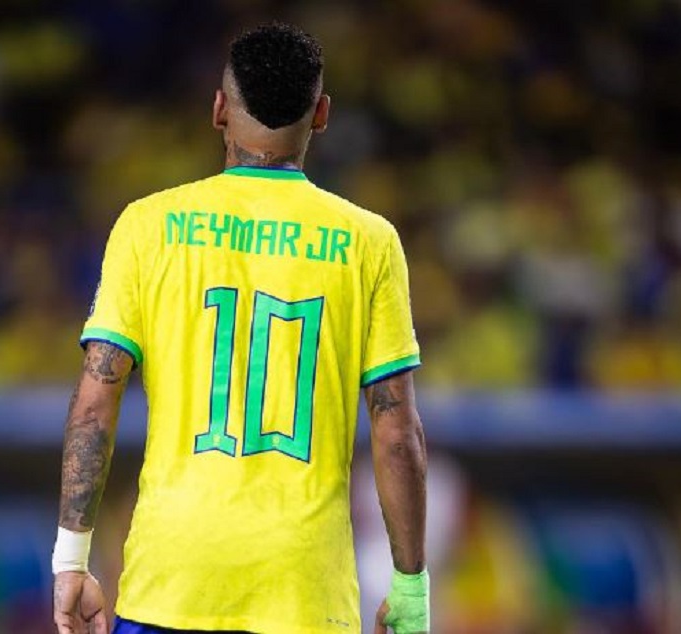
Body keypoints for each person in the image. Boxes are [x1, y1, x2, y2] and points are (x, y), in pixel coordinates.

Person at [52, 22, 429, 634]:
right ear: (322, 115)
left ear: (219, 109)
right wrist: (410, 586)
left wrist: (72, 559)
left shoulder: (148, 226)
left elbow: (96, 404)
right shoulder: (369, 242)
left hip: (172, 581)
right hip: (304, 591)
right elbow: (395, 432)